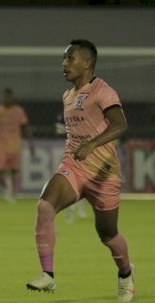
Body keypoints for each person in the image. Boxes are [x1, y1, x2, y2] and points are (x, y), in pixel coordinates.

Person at [26, 39, 135, 302]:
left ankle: (125, 274)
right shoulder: (68, 96)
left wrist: (93, 144)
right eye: (63, 59)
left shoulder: (103, 91)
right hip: (74, 168)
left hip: (103, 174)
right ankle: (48, 274)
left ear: (87, 62)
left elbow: (121, 125)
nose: (64, 64)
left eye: (70, 58)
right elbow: (77, 132)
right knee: (44, 206)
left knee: (108, 235)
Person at [0, 87, 35, 203]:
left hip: (15, 143)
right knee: (0, 171)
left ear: (12, 98)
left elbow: (25, 127)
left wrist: (31, 144)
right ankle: (7, 189)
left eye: (8, 96)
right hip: (1, 143)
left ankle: (12, 193)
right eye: (4, 96)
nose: (6, 99)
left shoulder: (18, 111)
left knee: (14, 170)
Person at [55, 112, 88, 224]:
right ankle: (69, 212)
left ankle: (80, 208)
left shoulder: (86, 113)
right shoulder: (64, 115)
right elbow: (58, 131)